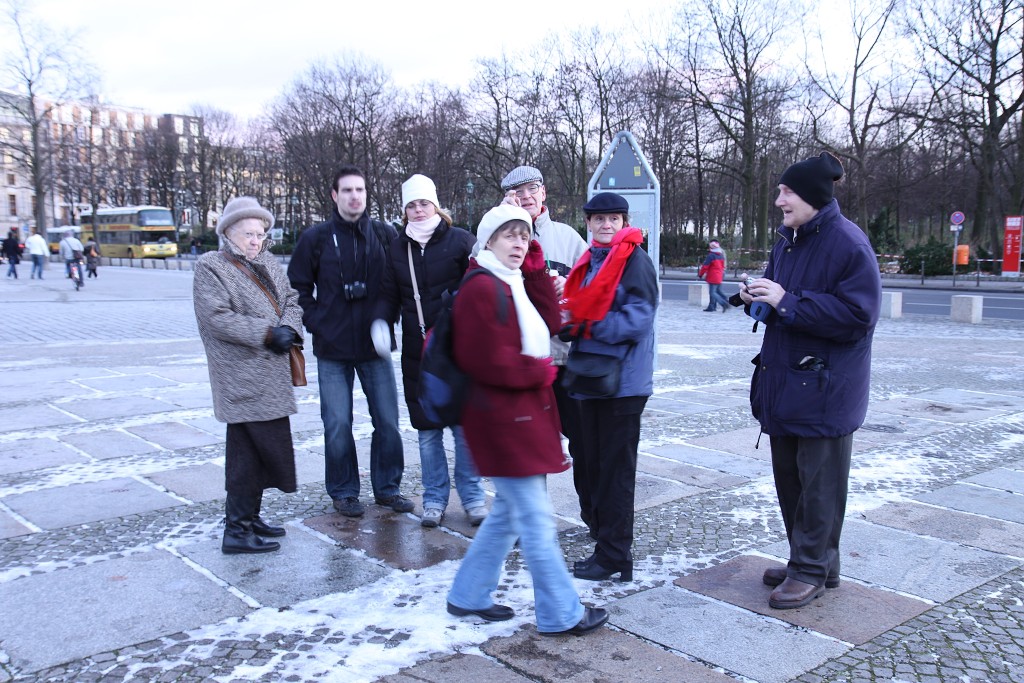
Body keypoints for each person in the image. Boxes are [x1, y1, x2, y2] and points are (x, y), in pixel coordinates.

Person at [446, 204, 608, 636]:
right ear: (488, 241)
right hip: (502, 422)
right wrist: (540, 371)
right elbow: (485, 361)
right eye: (509, 235)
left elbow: (552, 323)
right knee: (536, 522)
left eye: (525, 235)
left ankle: (468, 595)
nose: (518, 243)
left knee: (509, 517)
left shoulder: (511, 280)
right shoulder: (481, 286)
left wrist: (536, 271)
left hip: (521, 418)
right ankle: (561, 613)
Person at [740, 151, 881, 609]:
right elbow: (779, 292)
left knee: (819, 486)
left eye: (787, 191)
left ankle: (811, 570)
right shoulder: (790, 239)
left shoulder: (848, 243)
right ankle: (813, 559)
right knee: (792, 483)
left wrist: (787, 300)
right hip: (786, 385)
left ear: (812, 197)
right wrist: (754, 295)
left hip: (825, 389)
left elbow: (859, 317)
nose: (779, 199)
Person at [287, 165, 412, 518]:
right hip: (333, 347)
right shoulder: (316, 238)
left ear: (366, 194)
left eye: (360, 190)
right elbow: (296, 287)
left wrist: (387, 321)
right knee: (338, 422)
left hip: (375, 345)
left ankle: (388, 487)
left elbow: (398, 284)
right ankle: (344, 491)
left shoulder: (385, 234)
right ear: (334, 195)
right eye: (347, 190)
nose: (354, 196)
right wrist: (317, 322)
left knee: (387, 420)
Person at [371, 174, 487, 528]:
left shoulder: (460, 241)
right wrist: (381, 323)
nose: (418, 210)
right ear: (404, 210)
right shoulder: (396, 247)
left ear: (436, 205)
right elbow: (389, 296)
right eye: (411, 205)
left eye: (424, 203)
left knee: (464, 428)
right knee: (427, 430)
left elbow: (478, 285)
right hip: (416, 352)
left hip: (457, 349)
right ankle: (434, 498)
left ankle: (472, 496)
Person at [192, 196, 304, 555]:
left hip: (269, 374)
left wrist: (288, 326)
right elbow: (217, 318)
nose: (256, 241)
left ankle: (249, 518)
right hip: (240, 377)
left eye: (261, 234)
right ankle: (236, 530)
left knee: (262, 451)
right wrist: (268, 333)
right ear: (228, 233)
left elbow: (291, 299)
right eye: (248, 234)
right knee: (246, 453)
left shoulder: (267, 261)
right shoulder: (210, 267)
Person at [559, 192, 659, 583]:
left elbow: (636, 320)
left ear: (623, 221)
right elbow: (574, 312)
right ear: (589, 223)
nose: (606, 225)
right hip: (589, 380)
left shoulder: (634, 260)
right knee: (592, 465)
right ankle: (605, 541)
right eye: (599, 219)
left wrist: (584, 325)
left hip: (624, 385)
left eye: (613, 218)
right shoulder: (587, 263)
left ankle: (615, 554)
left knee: (616, 472)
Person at [499, 165, 589, 526]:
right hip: (523, 360)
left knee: (583, 442)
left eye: (531, 189)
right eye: (516, 193)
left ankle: (593, 514)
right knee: (528, 444)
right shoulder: (499, 235)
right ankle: (531, 520)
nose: (526, 197)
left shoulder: (568, 237)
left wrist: (568, 287)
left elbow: (595, 286)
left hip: (564, 358)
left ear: (544, 193)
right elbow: (480, 269)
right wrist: (504, 219)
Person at [699, 239, 730, 312]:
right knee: (718, 291)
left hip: (713, 276)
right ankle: (714, 306)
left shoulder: (711, 256)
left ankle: (723, 303)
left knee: (712, 292)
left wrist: (700, 274)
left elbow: (705, 266)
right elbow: (723, 265)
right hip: (720, 275)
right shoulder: (721, 255)